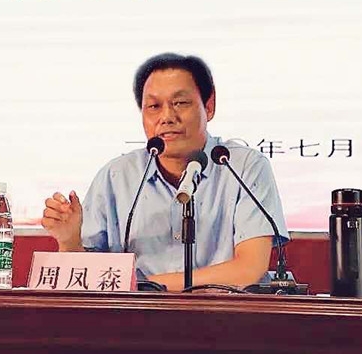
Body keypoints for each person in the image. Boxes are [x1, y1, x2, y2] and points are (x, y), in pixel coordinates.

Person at [41, 52, 289, 291]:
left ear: (209, 106)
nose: (167, 117)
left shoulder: (243, 166)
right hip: (135, 317)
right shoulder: (116, 176)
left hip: (223, 315)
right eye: (153, 106)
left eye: (180, 103)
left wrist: (141, 285)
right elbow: (87, 278)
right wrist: (69, 241)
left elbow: (248, 270)